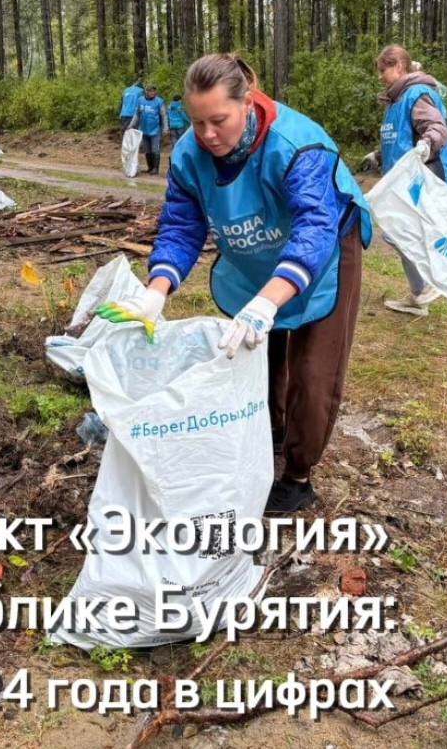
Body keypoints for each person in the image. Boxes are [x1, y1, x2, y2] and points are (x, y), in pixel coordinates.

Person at [111, 54, 372, 513]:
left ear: (247, 104)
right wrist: (156, 291)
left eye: (219, 120)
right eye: (196, 123)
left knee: (313, 372)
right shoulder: (191, 156)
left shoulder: (296, 144)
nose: (208, 135)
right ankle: (264, 435)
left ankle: (296, 474)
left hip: (325, 249)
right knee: (255, 355)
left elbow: (314, 227)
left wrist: (270, 300)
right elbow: (180, 225)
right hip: (256, 249)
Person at [372, 45, 447, 317]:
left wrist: (427, 144)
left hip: (423, 176)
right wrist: (378, 155)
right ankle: (420, 292)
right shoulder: (396, 101)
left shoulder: (417, 95)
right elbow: (400, 138)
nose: (381, 77)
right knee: (397, 231)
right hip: (402, 180)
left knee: (402, 231)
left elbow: (436, 127)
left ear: (398, 66)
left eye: (383, 71)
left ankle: (425, 287)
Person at [130, 84, 167, 174]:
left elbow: (164, 115)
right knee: (147, 150)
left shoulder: (159, 101)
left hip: (155, 130)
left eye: (154, 91)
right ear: (146, 92)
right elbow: (137, 114)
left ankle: (155, 169)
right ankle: (150, 168)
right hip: (143, 129)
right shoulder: (140, 100)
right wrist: (131, 124)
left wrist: (165, 128)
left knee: (155, 149)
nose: (152, 93)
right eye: (150, 91)